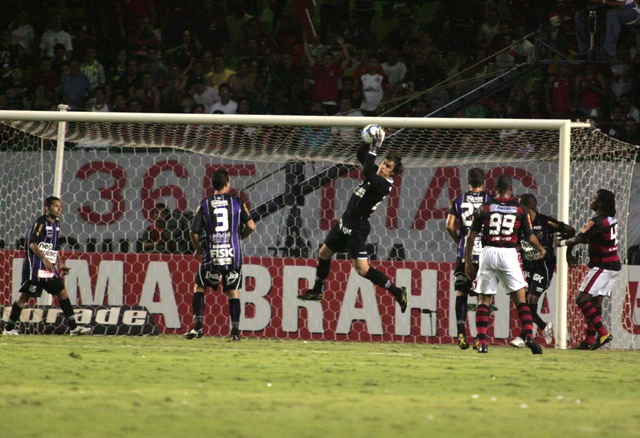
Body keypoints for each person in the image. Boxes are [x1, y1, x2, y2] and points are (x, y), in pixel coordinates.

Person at [298, 127, 408, 313]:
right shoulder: (377, 174)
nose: (382, 166)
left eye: (387, 167)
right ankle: (317, 291)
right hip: (345, 222)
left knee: (363, 270)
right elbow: (361, 155)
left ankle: (397, 291)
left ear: (392, 173)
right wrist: (367, 141)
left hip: (357, 227)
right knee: (324, 253)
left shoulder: (383, 185)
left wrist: (376, 145)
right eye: (383, 163)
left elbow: (367, 169)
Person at [465, 174, 546, 354]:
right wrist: (540, 248)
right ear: (511, 190)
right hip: (509, 254)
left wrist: (468, 261)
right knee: (520, 299)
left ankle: (482, 342)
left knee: (484, 300)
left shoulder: (484, 207)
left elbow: (471, 236)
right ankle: (529, 337)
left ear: (495, 189)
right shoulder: (519, 209)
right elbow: (530, 236)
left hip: (488, 253)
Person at [3, 196, 91, 336]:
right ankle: (9, 329)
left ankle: (73, 327)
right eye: (56, 206)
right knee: (23, 298)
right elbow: (33, 244)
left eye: (60, 206)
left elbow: (52, 247)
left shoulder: (56, 224)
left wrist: (60, 264)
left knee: (62, 293)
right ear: (47, 208)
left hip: (48, 269)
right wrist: (44, 259)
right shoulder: (40, 223)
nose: (59, 209)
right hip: (35, 269)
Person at [186, 169, 256, 341]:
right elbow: (251, 226)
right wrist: (239, 236)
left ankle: (198, 326)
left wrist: (198, 249)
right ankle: (235, 332)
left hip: (213, 254)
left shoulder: (205, 204)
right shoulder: (238, 202)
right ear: (227, 183)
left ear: (213, 185)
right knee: (233, 291)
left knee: (199, 287)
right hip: (233, 254)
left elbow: (193, 232)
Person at [556, 189, 620, 350]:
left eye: (594, 198)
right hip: (613, 265)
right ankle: (589, 340)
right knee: (595, 302)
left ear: (600, 203)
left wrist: (561, 244)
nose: (591, 200)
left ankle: (603, 333)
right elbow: (585, 239)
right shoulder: (610, 220)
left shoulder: (597, 221)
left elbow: (580, 238)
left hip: (603, 266)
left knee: (581, 299)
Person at [509, 194, 575, 348]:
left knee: (532, 299)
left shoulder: (546, 221)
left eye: (521, 207)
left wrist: (568, 252)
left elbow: (570, 230)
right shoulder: (519, 223)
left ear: (529, 207)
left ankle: (524, 336)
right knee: (522, 302)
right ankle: (543, 326)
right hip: (526, 266)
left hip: (543, 266)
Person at [446, 168, 493, 350]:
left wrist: (460, 240)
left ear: (468, 181)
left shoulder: (459, 200)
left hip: (464, 253)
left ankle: (460, 334)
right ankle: (479, 337)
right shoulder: (489, 200)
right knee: (483, 297)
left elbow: (449, 225)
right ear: (484, 182)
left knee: (461, 293)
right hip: (484, 255)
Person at [575, 0, 640, 62]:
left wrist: (602, 1)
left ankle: (609, 53)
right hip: (609, 9)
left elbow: (621, 4)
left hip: (630, 10)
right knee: (580, 15)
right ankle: (586, 52)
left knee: (612, 14)